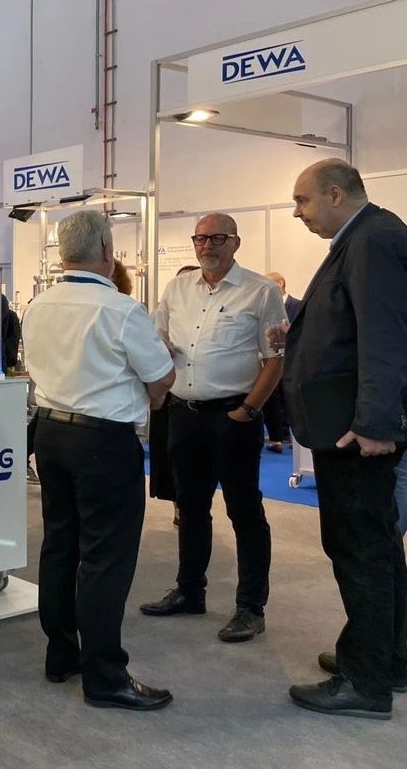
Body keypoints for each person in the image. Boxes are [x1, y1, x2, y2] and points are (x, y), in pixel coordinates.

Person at [22, 210, 176, 711]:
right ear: (108, 251)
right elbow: (161, 379)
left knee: (60, 546)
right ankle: (105, 675)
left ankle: (60, 654)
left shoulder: (38, 305)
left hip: (50, 433)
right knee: (106, 557)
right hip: (103, 441)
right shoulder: (122, 310)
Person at [279, 158, 407, 719]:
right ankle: (387, 657)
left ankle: (365, 680)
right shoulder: (364, 238)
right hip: (347, 425)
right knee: (375, 545)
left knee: (360, 550)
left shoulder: (373, 240)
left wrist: (377, 423)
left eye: (302, 200)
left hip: (356, 433)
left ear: (335, 194)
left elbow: (385, 337)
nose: (297, 212)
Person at [141, 213, 285, 644]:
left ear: (235, 243)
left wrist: (248, 410)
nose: (207, 246)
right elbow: (157, 337)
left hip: (232, 417)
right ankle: (190, 592)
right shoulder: (177, 289)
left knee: (245, 511)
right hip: (184, 415)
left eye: (218, 238)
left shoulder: (260, 292)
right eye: (200, 238)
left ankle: (251, 608)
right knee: (189, 507)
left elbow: (275, 359)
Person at [147, 265, 200, 523]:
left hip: (202, 398)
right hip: (168, 396)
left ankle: (190, 505)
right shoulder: (158, 316)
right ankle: (179, 505)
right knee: (169, 455)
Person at [260, 271, 301, 453]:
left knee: (292, 398)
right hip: (270, 361)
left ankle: (296, 436)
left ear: (280, 284)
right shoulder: (264, 309)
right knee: (273, 399)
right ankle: (280, 434)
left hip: (293, 361)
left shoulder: (298, 306)